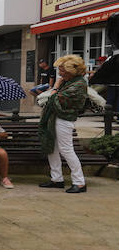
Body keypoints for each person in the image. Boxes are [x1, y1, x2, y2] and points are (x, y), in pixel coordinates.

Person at [39, 54, 89, 193]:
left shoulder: (79, 84)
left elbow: (56, 99)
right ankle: (57, 179)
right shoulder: (69, 82)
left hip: (64, 119)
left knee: (66, 149)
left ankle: (79, 182)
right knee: (52, 147)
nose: (60, 73)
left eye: (62, 71)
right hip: (54, 118)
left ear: (72, 71)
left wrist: (55, 87)